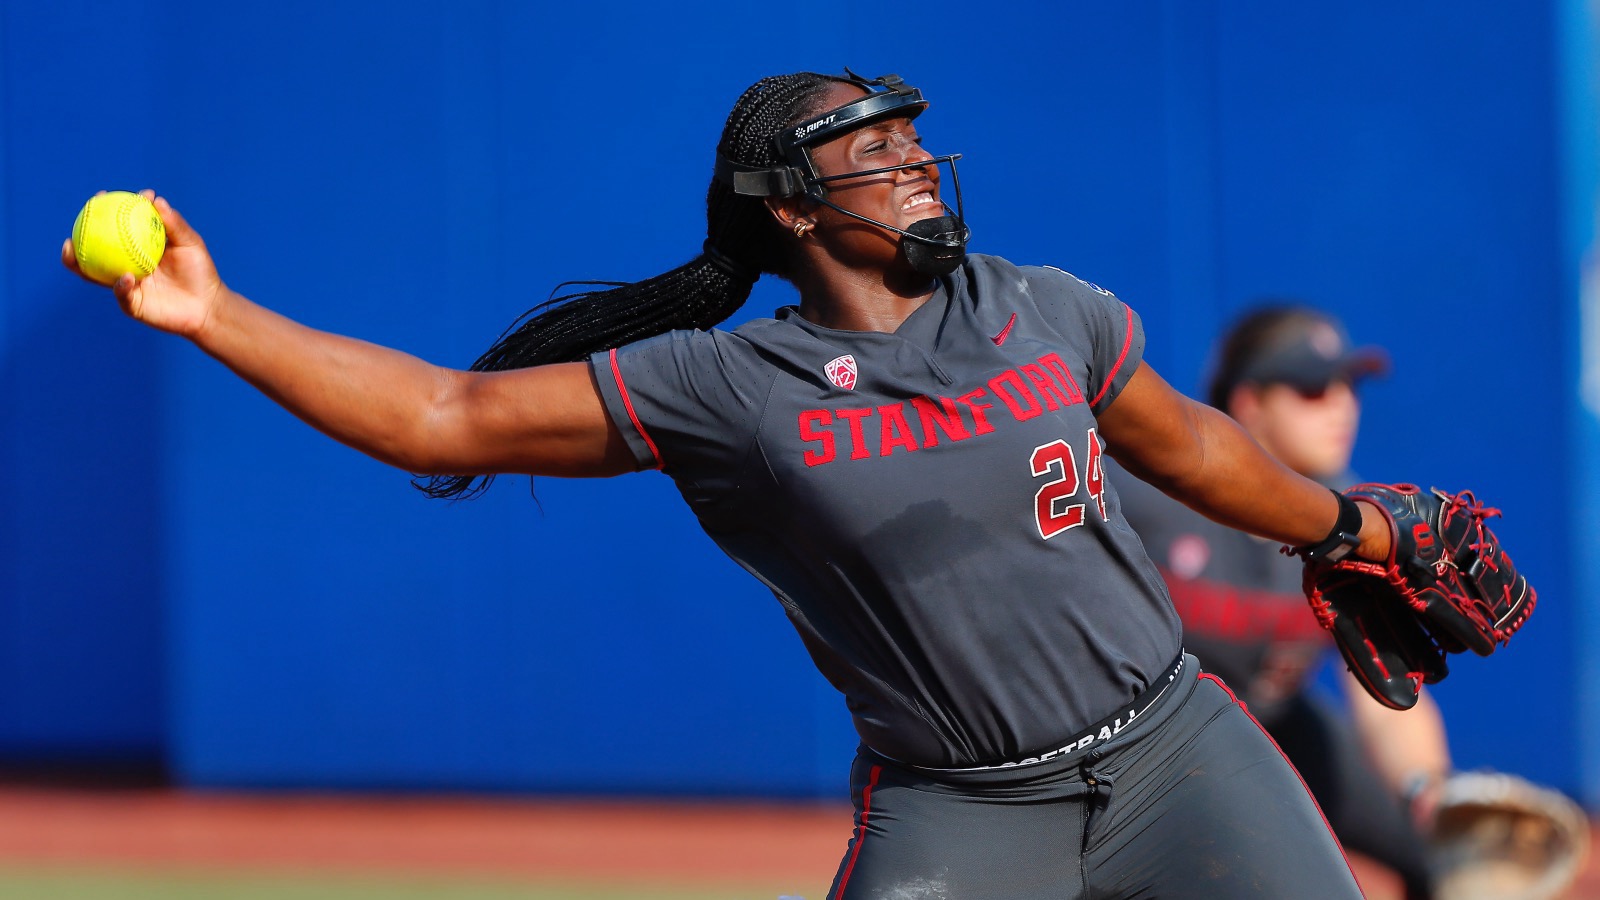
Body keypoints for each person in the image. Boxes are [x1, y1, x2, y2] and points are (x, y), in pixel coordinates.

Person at [65, 71, 1400, 898]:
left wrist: (1351, 526)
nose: (915, 159)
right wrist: (216, 313)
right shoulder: (730, 384)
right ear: (794, 209)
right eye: (875, 149)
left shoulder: (1039, 307)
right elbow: (443, 415)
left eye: (916, 140)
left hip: (1178, 748)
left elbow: (1197, 450)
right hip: (967, 807)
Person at [1110, 306, 1449, 899]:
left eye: (1349, 384)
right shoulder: (1150, 496)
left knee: (1445, 853)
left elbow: (1389, 694)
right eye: (1313, 388)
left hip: (1278, 727)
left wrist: (1429, 794)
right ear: (1249, 404)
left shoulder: (1355, 520)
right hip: (1154, 749)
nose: (1342, 405)